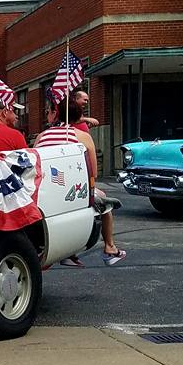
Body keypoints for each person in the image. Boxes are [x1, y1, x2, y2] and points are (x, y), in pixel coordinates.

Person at [35, 99, 127, 266]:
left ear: (56, 114)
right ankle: (110, 247)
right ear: (78, 116)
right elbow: (93, 173)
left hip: (45, 194)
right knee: (105, 202)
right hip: (73, 193)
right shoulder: (83, 137)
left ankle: (69, 252)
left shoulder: (41, 137)